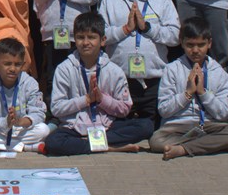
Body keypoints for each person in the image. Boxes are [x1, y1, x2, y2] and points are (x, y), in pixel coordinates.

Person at [44, 12, 153, 155]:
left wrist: (102, 99)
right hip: (75, 128)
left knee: (146, 126)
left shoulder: (114, 71)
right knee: (53, 142)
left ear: (103, 40)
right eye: (80, 37)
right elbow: (56, 108)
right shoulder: (64, 69)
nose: (85, 42)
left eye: (91, 37)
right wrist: (86, 100)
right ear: (74, 39)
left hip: (107, 126)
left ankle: (88, 144)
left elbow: (125, 109)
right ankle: (109, 146)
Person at [99, 0, 180, 125]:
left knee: (153, 127)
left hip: (154, 80)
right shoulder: (109, 1)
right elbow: (101, 36)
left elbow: (174, 37)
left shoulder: (162, 2)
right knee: (119, 125)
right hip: (121, 79)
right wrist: (125, 29)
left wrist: (148, 28)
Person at [149, 16, 228, 160]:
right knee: (156, 141)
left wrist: (203, 93)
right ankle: (217, 145)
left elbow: (224, 114)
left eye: (201, 45)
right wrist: (187, 94)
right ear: (182, 43)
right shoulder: (171, 69)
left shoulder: (219, 72)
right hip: (179, 127)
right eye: (190, 45)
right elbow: (164, 110)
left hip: (210, 124)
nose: (195, 50)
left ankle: (183, 149)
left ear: (209, 43)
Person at [0, 37, 49, 153]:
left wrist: (21, 121)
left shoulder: (30, 83)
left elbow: (38, 113)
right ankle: (26, 147)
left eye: (17, 64)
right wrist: (5, 122)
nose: (12, 69)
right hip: (0, 130)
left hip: (21, 129)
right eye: (7, 64)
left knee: (43, 130)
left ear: (23, 65)